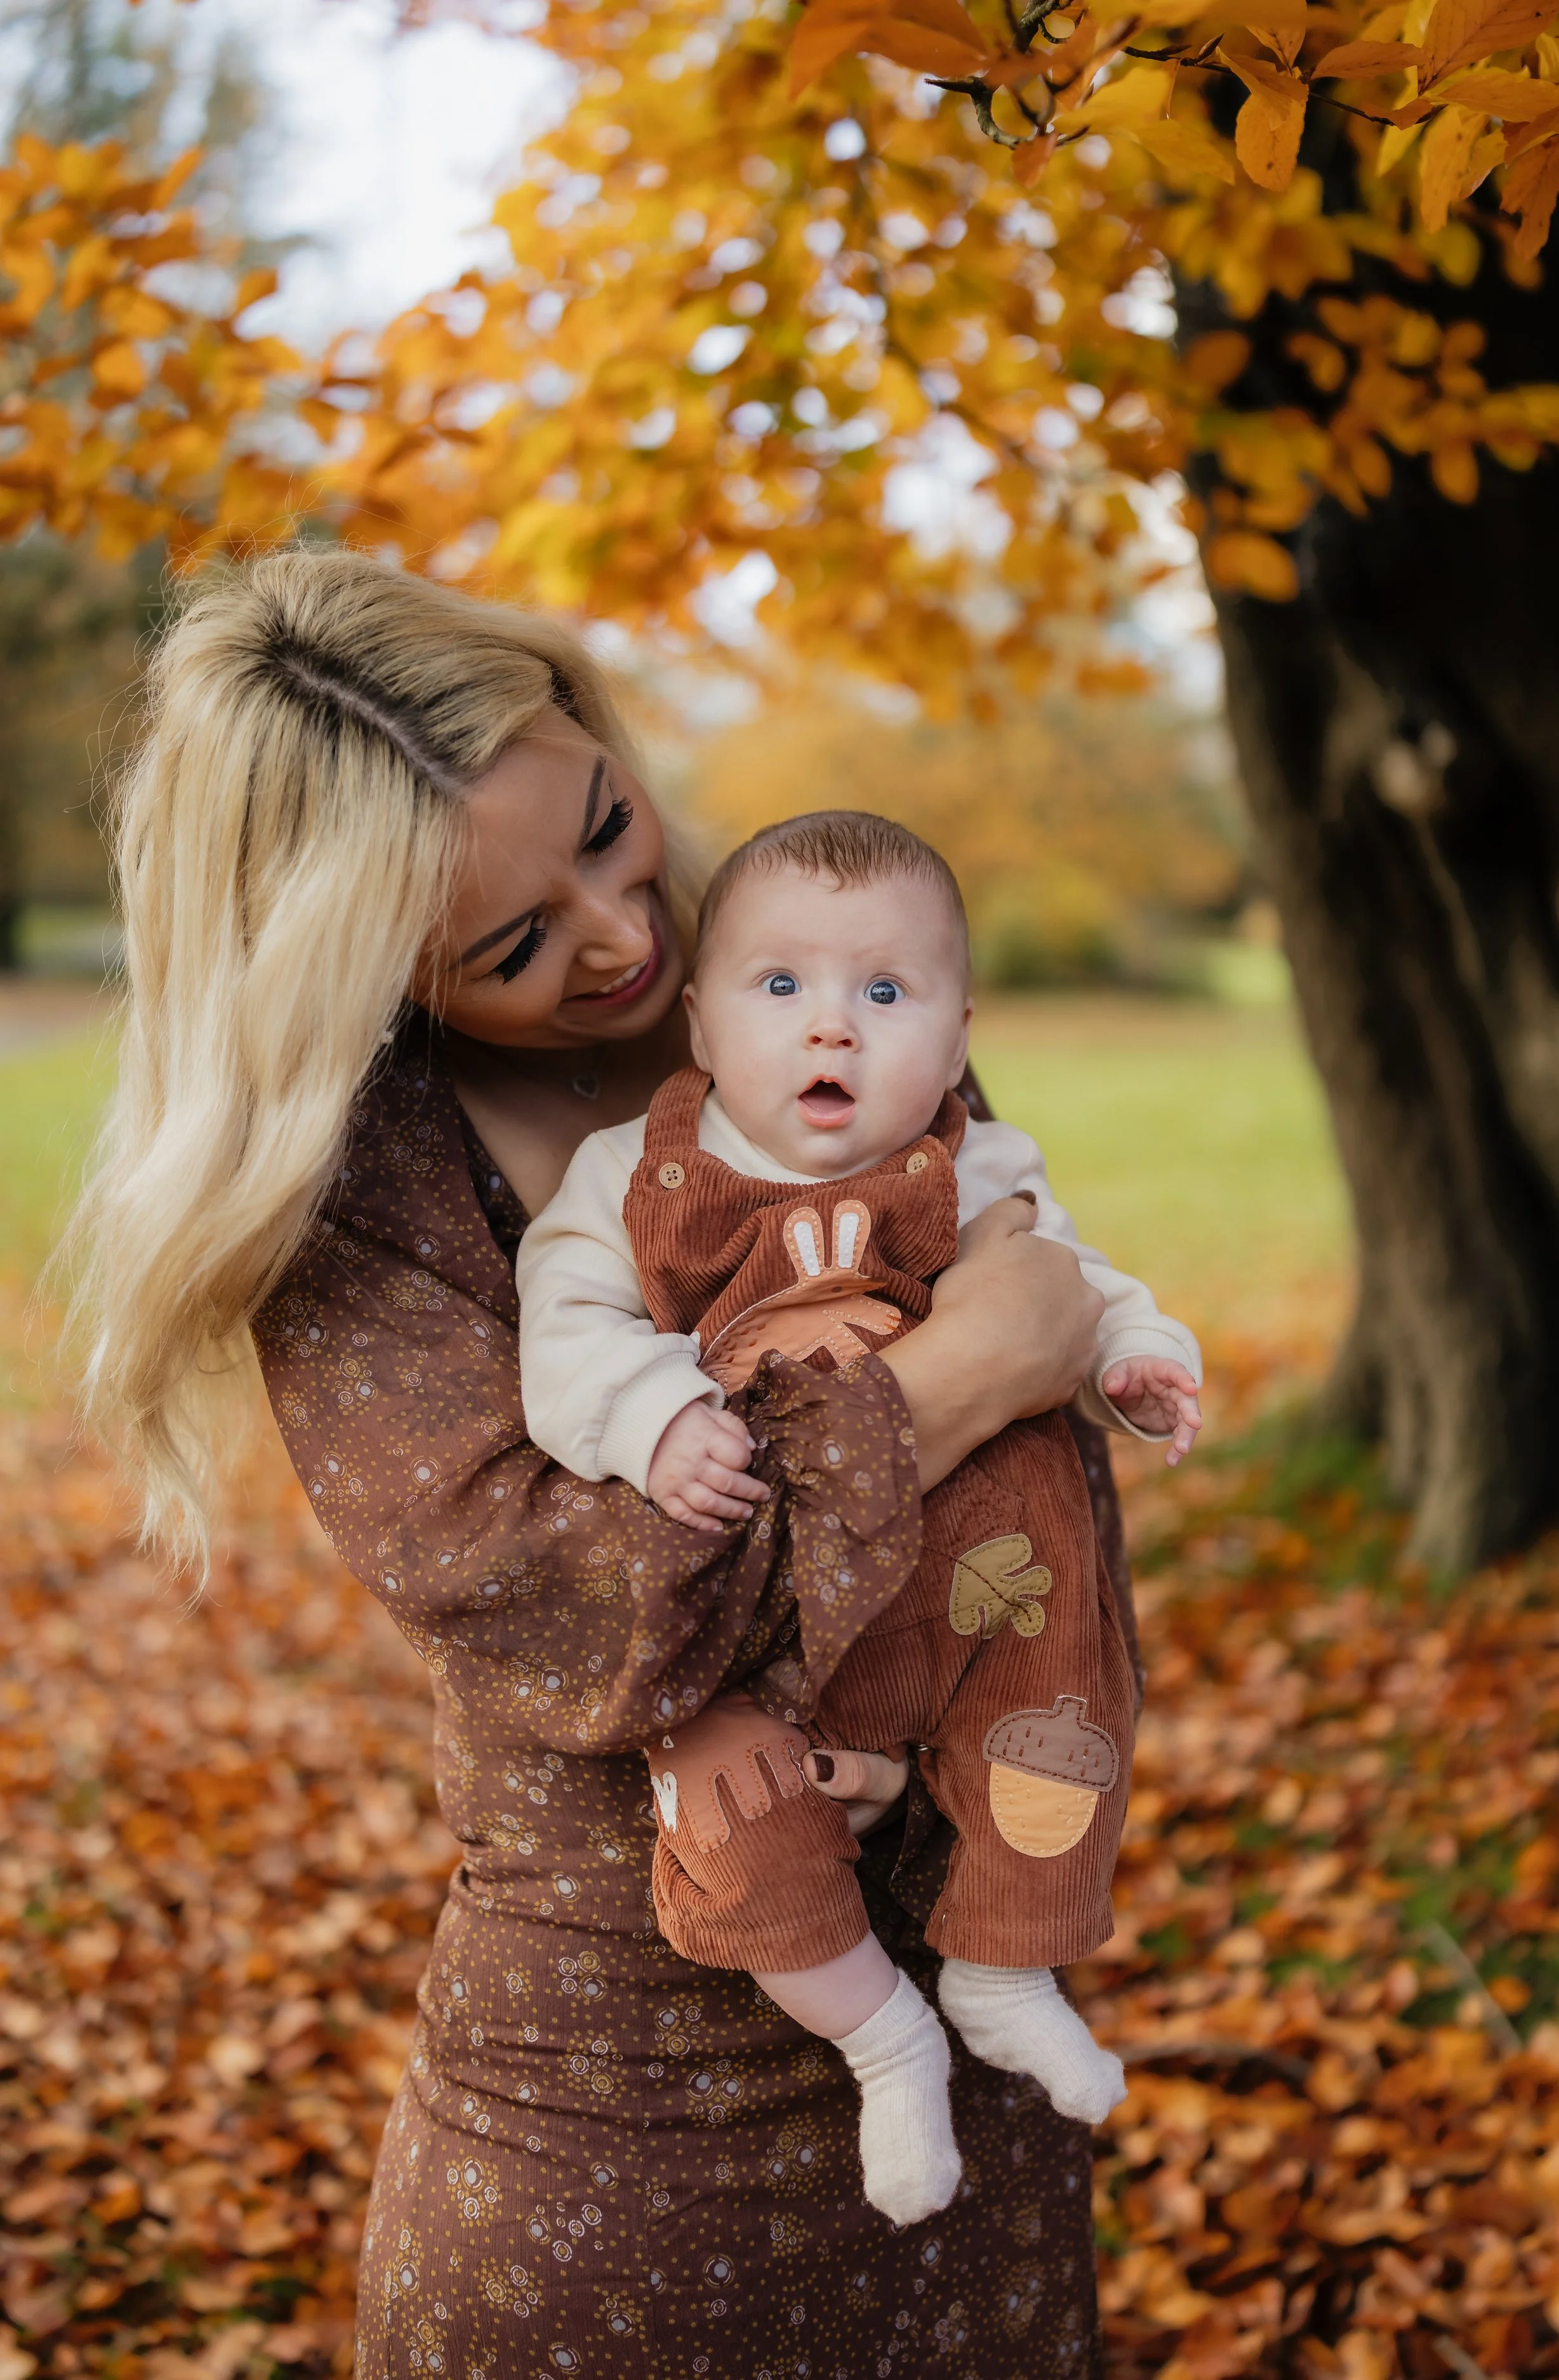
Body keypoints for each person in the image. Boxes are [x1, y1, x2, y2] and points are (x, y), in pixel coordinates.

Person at [70, 545, 1134, 2379]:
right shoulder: (361, 1206)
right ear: (365, 973)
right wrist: (958, 1378)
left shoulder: (800, 987)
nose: (621, 932)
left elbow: (1037, 1512)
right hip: (618, 2100)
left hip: (973, 2021)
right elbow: (597, 1609)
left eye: (607, 825)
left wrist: (1012, 1422)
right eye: (513, 941)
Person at [514, 810, 1202, 2224]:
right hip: (770, 1612)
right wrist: (650, 1417)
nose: (831, 1030)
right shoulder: (632, 1185)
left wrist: (1138, 1360)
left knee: (1058, 1721)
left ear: (952, 1042)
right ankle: (883, 2039)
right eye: (781, 990)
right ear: (700, 1024)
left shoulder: (978, 1165)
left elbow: (1072, 1282)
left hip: (987, 1581)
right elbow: (563, 1331)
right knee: (732, 1815)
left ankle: (1004, 1968)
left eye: (883, 996)